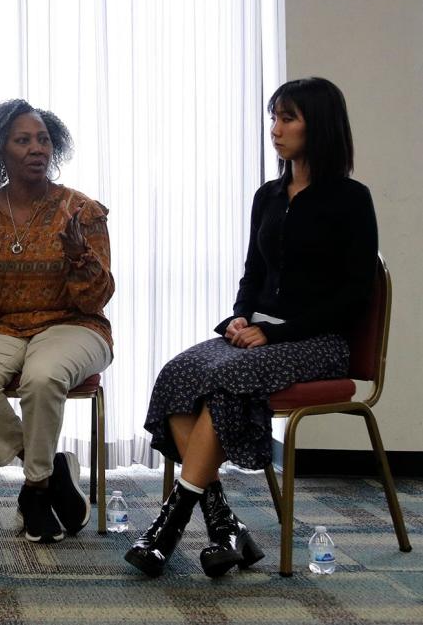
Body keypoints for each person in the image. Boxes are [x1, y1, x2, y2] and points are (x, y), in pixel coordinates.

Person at [126, 77, 377, 578]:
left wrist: (276, 334)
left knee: (230, 381)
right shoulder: (269, 195)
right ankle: (226, 528)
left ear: (318, 126)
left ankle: (169, 527)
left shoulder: (350, 199)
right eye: (273, 117)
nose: (275, 129)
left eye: (287, 118)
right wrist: (240, 316)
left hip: (319, 342)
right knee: (180, 374)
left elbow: (354, 294)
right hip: (260, 335)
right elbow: (254, 273)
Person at [0, 100, 115, 544]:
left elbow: (97, 298)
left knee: (42, 377)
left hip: (74, 327)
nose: (37, 148)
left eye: (43, 139)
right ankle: (51, 467)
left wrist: (80, 254)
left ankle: (36, 491)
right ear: (0, 150)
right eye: (23, 140)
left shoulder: (81, 211)